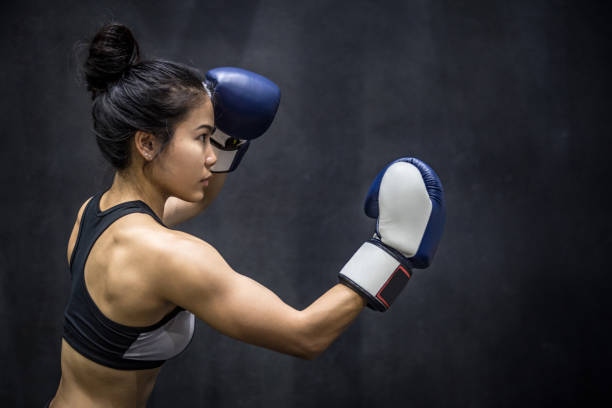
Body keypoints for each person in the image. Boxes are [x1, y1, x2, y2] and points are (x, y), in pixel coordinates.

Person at [48, 22, 445, 408]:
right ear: (148, 143)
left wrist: (227, 136)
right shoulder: (168, 256)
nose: (211, 155)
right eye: (203, 137)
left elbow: (197, 200)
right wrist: (392, 251)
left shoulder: (96, 215)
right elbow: (304, 335)